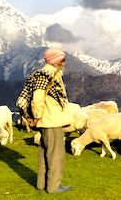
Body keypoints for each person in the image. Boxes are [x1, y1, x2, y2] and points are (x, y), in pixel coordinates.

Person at [18, 48, 74, 193]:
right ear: (55, 60)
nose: (64, 63)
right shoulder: (48, 74)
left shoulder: (41, 73)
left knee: (44, 153)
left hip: (46, 121)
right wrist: (36, 116)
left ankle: (41, 184)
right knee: (56, 155)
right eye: (62, 60)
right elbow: (38, 97)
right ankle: (54, 187)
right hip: (51, 120)